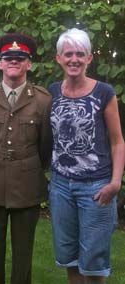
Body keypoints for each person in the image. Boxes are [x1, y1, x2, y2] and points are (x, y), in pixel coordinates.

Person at [49, 28, 125, 284]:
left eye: (80, 54)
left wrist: (115, 183)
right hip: (60, 186)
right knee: (69, 259)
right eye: (68, 53)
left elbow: (117, 141)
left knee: (94, 265)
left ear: (89, 58)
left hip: (96, 187)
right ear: (58, 58)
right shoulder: (53, 92)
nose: (74, 59)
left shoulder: (104, 93)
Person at [0, 33, 52, 284]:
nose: (14, 62)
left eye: (20, 58)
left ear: (29, 64)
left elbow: (45, 145)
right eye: (8, 58)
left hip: (27, 181)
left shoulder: (43, 99)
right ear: (0, 63)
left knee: (23, 253)